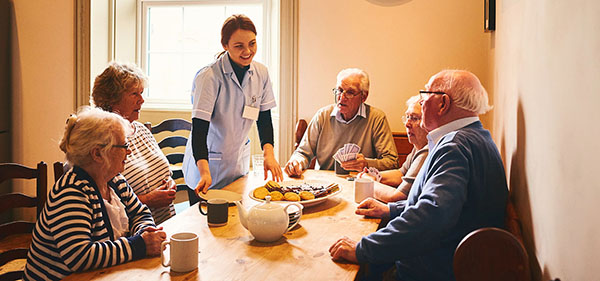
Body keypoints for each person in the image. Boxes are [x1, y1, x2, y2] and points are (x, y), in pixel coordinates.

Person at [329, 70, 509, 281]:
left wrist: (362, 249)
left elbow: (432, 215)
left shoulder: (454, 146)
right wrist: (390, 209)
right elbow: (447, 206)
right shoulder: (475, 136)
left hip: (428, 271)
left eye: (425, 96)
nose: (421, 103)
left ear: (443, 104)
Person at [24, 107, 166, 280]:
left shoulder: (115, 181)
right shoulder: (71, 193)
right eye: (124, 146)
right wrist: (139, 245)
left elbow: (140, 213)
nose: (129, 151)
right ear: (98, 153)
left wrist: (145, 231)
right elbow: (80, 256)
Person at [182, 14, 283, 194]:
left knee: (236, 221)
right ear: (225, 45)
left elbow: (264, 118)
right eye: (239, 46)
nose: (247, 51)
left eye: (252, 43)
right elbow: (199, 130)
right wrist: (204, 171)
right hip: (206, 168)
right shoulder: (209, 77)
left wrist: (269, 154)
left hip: (237, 166)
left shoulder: (261, 73)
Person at [92, 62, 176, 225]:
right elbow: (101, 202)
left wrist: (169, 184)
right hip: (131, 235)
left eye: (142, 93)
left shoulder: (141, 130)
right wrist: (148, 200)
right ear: (113, 99)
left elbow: (163, 170)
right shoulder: (102, 141)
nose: (142, 100)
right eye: (134, 94)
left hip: (166, 224)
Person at [284, 68, 398, 177]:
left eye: (350, 92)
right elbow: (302, 153)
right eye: (339, 90)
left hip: (359, 184)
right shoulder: (322, 116)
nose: (341, 97)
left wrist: (367, 164)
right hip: (324, 184)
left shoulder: (376, 118)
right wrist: (296, 162)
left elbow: (392, 162)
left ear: (364, 97)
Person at [357, 95, 429, 203]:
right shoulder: (418, 146)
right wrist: (372, 175)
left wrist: (369, 182)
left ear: (429, 123)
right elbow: (401, 174)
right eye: (407, 117)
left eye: (414, 118)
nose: (407, 124)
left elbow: (398, 196)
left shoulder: (427, 151)